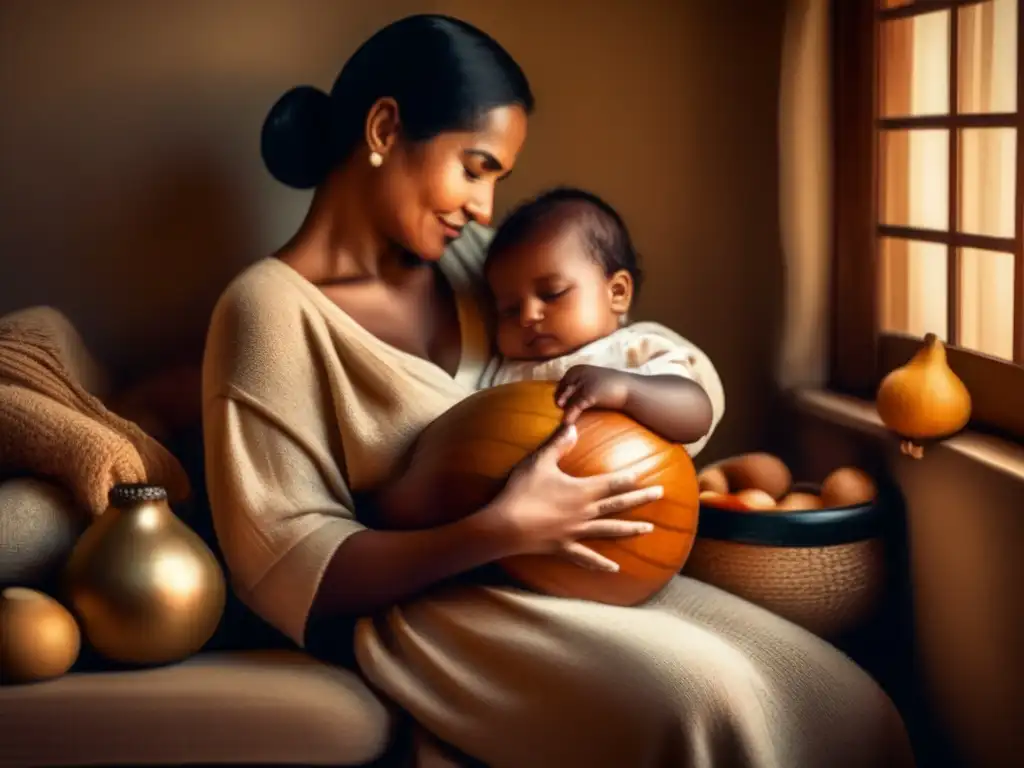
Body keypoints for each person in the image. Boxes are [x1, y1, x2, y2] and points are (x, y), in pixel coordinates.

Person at [202, 13, 913, 768]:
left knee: (839, 698)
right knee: (706, 707)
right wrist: (502, 531)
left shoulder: (482, 266)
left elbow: (635, 363)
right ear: (383, 129)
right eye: (474, 167)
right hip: (442, 602)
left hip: (597, 570)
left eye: (496, 180)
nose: (481, 208)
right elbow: (283, 568)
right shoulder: (267, 311)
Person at [373, 185, 726, 536]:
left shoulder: (633, 350)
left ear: (616, 292)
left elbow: (696, 412)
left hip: (629, 528)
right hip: (522, 533)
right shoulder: (502, 372)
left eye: (552, 293)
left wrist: (627, 390)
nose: (528, 315)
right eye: (509, 310)